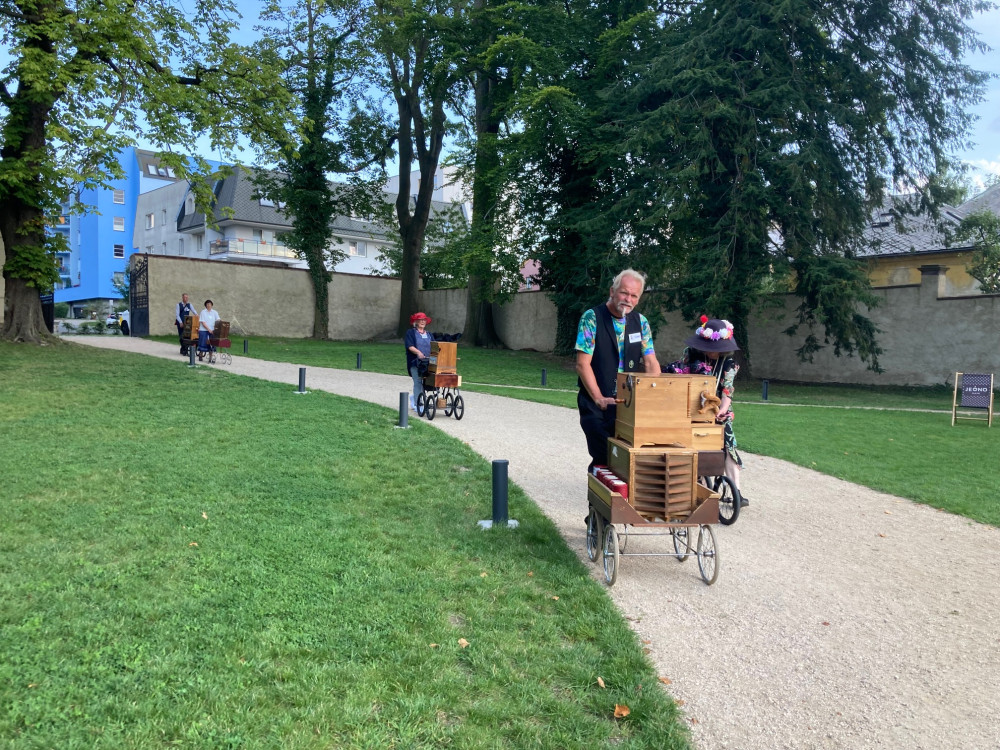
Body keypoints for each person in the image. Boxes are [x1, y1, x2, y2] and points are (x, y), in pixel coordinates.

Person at [575, 269, 660, 470]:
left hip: (627, 404)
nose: (628, 299)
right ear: (612, 291)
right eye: (624, 293)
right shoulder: (592, 318)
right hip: (596, 404)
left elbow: (651, 363)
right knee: (604, 458)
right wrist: (599, 398)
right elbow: (582, 364)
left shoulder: (641, 322)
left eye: (634, 296)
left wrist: (652, 395)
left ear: (638, 299)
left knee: (627, 460)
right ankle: (598, 488)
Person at [679, 316, 749, 507]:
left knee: (728, 445)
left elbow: (727, 391)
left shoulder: (729, 363)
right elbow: (680, 377)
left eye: (717, 348)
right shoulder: (690, 355)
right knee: (692, 443)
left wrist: (722, 410)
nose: (713, 352)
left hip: (719, 409)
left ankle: (736, 493)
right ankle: (698, 487)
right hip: (691, 408)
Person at [404, 312, 433, 411]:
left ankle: (415, 397)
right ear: (416, 322)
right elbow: (409, 346)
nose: (422, 322)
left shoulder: (429, 334)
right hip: (415, 362)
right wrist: (418, 352)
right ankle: (418, 404)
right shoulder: (411, 332)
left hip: (428, 362)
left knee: (428, 382)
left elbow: (435, 346)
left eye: (424, 320)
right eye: (420, 320)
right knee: (418, 382)